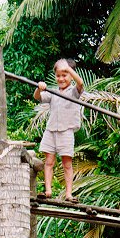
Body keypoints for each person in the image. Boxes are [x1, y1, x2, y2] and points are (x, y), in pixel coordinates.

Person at [34, 58, 84, 203]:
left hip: (66, 131)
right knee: (49, 161)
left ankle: (69, 194)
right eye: (58, 75)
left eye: (65, 74)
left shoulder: (74, 92)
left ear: (71, 74)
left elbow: (80, 83)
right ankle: (48, 190)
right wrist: (39, 88)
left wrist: (69, 69)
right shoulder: (53, 92)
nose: (61, 78)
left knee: (66, 163)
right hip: (51, 131)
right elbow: (38, 97)